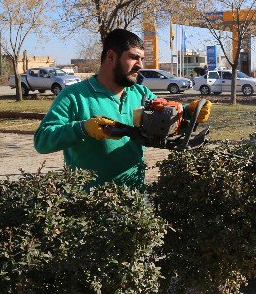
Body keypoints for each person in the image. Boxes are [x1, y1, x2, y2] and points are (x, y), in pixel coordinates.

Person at [34, 28, 209, 190]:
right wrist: (83, 128)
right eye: (133, 57)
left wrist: (187, 112)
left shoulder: (141, 94)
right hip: (88, 206)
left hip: (134, 200)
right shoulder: (74, 96)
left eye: (141, 59)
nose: (140, 65)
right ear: (111, 57)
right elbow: (42, 140)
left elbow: (163, 118)